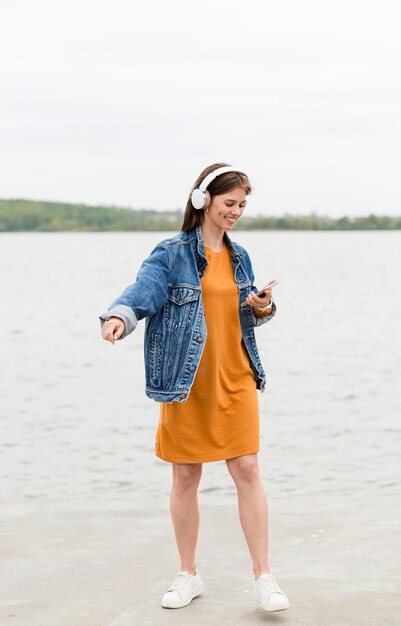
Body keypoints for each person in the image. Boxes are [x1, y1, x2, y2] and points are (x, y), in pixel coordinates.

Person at [99, 163, 290, 612]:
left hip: (235, 378)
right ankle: (188, 574)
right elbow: (143, 291)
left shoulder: (241, 256)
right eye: (229, 203)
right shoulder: (171, 253)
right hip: (186, 382)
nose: (236, 212)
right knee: (186, 475)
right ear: (204, 200)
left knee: (247, 471)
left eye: (242, 205)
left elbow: (244, 314)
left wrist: (262, 308)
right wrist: (119, 317)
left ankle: (264, 576)